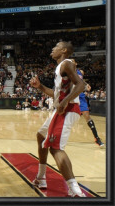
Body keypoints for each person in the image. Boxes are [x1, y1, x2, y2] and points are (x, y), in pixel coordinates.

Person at [30, 41, 86, 197]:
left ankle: (74, 190)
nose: (52, 49)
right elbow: (55, 95)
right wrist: (40, 86)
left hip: (67, 110)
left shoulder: (66, 64)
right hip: (61, 109)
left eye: (55, 47)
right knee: (41, 135)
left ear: (63, 50)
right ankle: (41, 177)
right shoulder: (60, 68)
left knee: (55, 148)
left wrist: (65, 100)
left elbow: (81, 85)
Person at [70, 59, 105, 147]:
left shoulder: (80, 72)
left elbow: (81, 81)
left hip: (80, 96)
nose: (71, 62)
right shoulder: (66, 72)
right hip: (71, 95)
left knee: (87, 116)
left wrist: (86, 84)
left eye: (73, 61)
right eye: (70, 61)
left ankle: (97, 138)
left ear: (76, 63)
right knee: (65, 118)